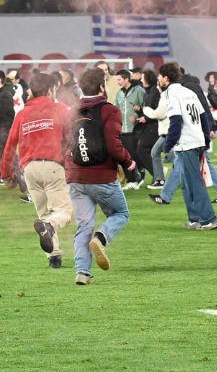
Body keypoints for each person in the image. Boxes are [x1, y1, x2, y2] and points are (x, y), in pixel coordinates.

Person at [66, 68, 136, 285]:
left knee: (83, 225)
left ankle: (82, 272)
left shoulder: (72, 111)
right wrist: (129, 162)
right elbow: (114, 146)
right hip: (102, 176)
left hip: (76, 178)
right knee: (121, 213)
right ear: (101, 86)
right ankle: (101, 237)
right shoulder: (109, 110)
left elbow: (65, 145)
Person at [0, 73, 72, 268]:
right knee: (63, 211)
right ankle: (49, 227)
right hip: (53, 166)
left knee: (43, 213)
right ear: (51, 89)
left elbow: (9, 145)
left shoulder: (23, 113)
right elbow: (70, 138)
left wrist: (6, 172)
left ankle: (54, 258)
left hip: (29, 169)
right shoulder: (60, 109)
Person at [159, 62, 217, 230]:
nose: (159, 79)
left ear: (165, 77)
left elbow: (176, 121)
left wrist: (168, 144)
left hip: (187, 144)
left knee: (194, 183)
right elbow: (203, 117)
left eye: (160, 76)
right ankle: (194, 218)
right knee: (187, 183)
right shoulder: (189, 91)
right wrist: (206, 139)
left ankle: (209, 219)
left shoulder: (171, 94)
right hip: (197, 140)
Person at [114, 69, 145, 188]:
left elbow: (146, 107)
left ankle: (136, 178)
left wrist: (138, 115)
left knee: (134, 155)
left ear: (127, 79)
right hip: (122, 129)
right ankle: (132, 179)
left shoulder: (139, 91)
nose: (118, 82)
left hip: (136, 129)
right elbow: (116, 108)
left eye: (119, 79)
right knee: (126, 156)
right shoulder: (119, 93)